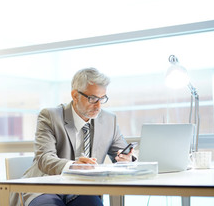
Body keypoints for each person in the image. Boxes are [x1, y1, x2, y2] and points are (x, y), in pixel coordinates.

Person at [13, 67, 136, 206]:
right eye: (93, 98)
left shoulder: (109, 120)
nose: (98, 106)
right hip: (46, 187)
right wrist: (73, 166)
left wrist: (127, 159)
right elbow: (44, 159)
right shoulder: (50, 116)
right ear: (75, 95)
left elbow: (122, 154)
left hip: (83, 190)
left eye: (102, 98)